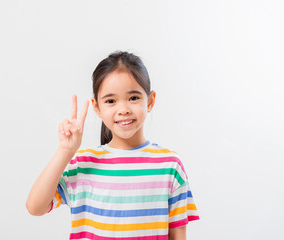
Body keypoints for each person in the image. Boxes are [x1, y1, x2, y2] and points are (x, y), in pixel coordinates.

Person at [26, 51, 200, 240]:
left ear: (150, 101)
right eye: (111, 101)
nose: (123, 109)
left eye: (133, 98)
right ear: (97, 107)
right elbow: (35, 207)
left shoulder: (170, 166)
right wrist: (65, 151)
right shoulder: (84, 163)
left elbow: (178, 234)